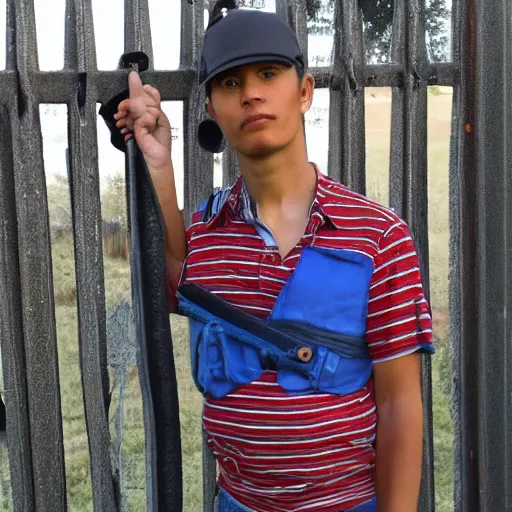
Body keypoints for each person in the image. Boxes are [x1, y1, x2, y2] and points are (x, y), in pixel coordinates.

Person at [114, 2, 435, 511]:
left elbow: (400, 404)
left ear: (304, 92)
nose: (252, 94)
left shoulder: (378, 236)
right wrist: (158, 159)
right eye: (231, 83)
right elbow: (172, 278)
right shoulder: (206, 232)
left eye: (268, 73)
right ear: (212, 108)